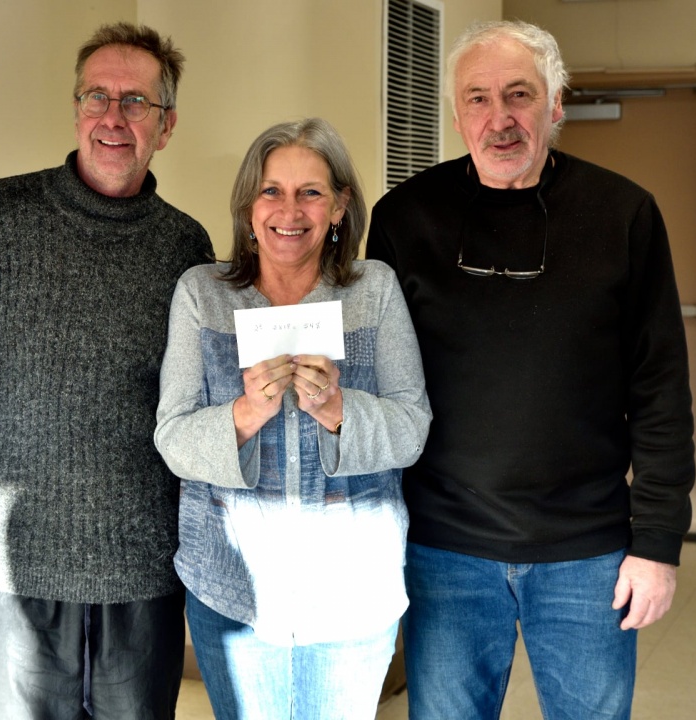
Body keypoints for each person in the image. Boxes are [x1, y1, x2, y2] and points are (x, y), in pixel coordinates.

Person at [366, 20, 696, 719]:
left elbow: (661, 391)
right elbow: (380, 389)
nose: (499, 118)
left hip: (588, 552)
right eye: (478, 98)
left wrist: (658, 544)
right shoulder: (404, 219)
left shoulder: (624, 214)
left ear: (555, 104)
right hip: (443, 549)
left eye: (519, 94)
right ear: (457, 114)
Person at [0, 22, 213, 719]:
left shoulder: (186, 247)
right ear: (76, 108)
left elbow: (198, 408)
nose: (114, 117)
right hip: (15, 561)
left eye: (136, 101)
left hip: (144, 569)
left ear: (167, 125)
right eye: (97, 97)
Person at [154, 118, 432, 720]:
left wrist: (339, 411)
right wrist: (245, 414)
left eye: (311, 192)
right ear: (248, 207)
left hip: (352, 595)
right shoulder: (202, 294)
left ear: (339, 207)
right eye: (271, 191)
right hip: (233, 590)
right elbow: (172, 437)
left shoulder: (374, 291)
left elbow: (412, 427)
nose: (289, 210)